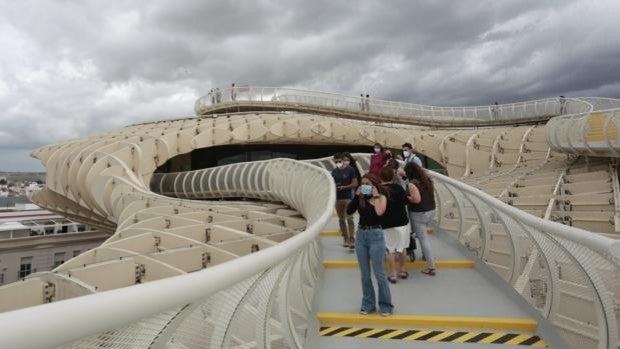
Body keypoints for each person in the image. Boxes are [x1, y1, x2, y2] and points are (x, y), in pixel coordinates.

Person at [347, 174, 393, 316]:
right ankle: (368, 304)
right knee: (365, 274)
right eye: (363, 183)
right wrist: (357, 195)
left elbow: (380, 212)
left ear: (374, 184)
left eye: (367, 184)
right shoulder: (361, 198)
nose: (364, 186)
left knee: (379, 274)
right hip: (361, 236)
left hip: (376, 236)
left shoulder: (381, 198)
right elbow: (349, 211)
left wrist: (376, 195)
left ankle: (386, 305)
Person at [379, 167, 410, 283]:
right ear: (393, 176)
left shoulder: (380, 190)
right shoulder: (398, 188)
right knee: (402, 248)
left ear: (380, 177)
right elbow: (406, 202)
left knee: (390, 249)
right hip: (402, 222)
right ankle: (403, 270)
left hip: (386, 223)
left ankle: (393, 274)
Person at [405, 162, 436, 276]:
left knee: (423, 239)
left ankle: (431, 266)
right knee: (423, 236)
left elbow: (416, 199)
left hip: (419, 213)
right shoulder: (427, 180)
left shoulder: (412, 184)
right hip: (431, 211)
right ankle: (426, 256)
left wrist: (405, 197)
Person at [331, 153, 358, 248]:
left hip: (348, 197)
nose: (338, 163)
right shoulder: (334, 171)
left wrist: (344, 187)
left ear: (343, 160)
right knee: (341, 219)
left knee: (350, 218)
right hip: (338, 198)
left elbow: (355, 183)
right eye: (336, 162)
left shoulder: (350, 169)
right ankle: (345, 238)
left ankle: (351, 238)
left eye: (339, 161)